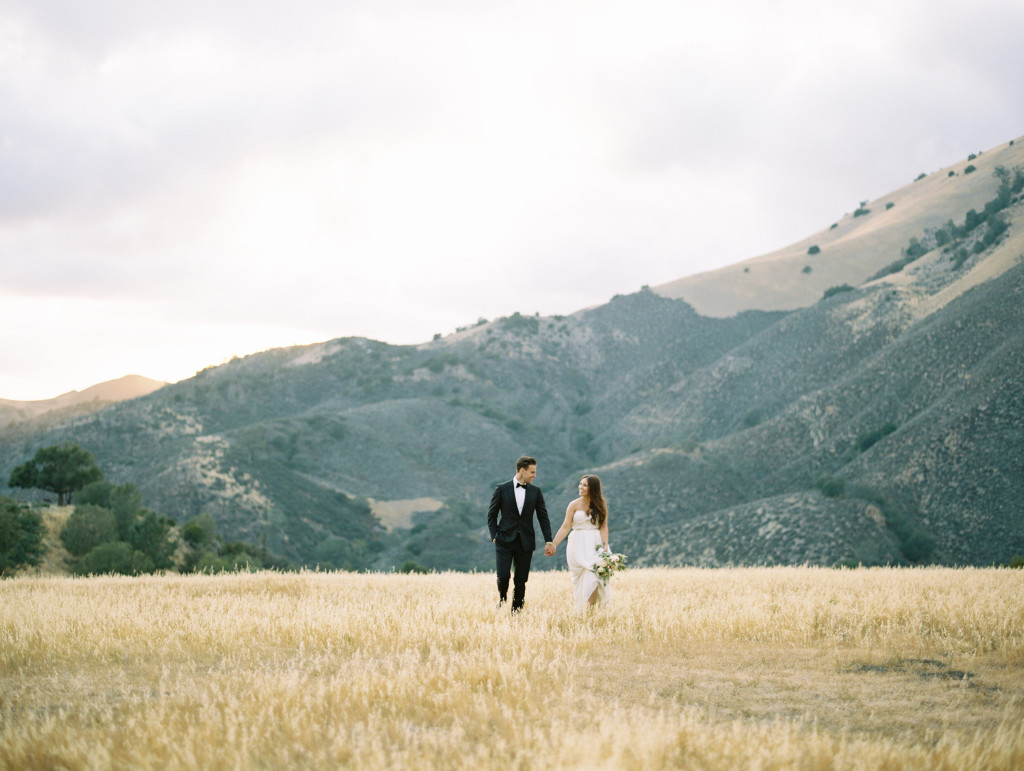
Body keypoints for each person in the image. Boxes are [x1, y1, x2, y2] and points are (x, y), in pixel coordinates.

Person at [487, 455, 554, 613]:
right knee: (503, 576)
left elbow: (543, 517)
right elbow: (491, 515)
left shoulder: (536, 492)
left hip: (525, 541)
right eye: (532, 472)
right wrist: (494, 536)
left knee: (521, 580)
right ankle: (502, 598)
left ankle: (516, 611)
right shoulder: (501, 489)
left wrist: (548, 540)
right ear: (522, 470)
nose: (534, 475)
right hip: (504, 540)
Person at [550, 474, 611, 611]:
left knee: (596, 578)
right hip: (578, 545)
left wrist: (605, 544)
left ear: (592, 488)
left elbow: (603, 525)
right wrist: (554, 543)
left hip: (595, 544)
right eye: (580, 484)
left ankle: (589, 614)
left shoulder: (601, 504)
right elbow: (566, 526)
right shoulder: (573, 504)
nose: (580, 487)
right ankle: (584, 613)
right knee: (582, 580)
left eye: (585, 485)